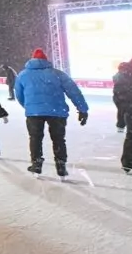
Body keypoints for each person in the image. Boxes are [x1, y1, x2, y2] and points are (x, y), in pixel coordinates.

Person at [15, 48, 89, 178]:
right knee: (59, 139)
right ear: (46, 60)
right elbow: (73, 91)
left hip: (34, 113)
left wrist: (30, 108)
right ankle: (61, 166)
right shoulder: (57, 74)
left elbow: (19, 95)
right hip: (57, 112)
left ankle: (36, 163)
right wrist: (82, 109)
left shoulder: (23, 75)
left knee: (35, 138)